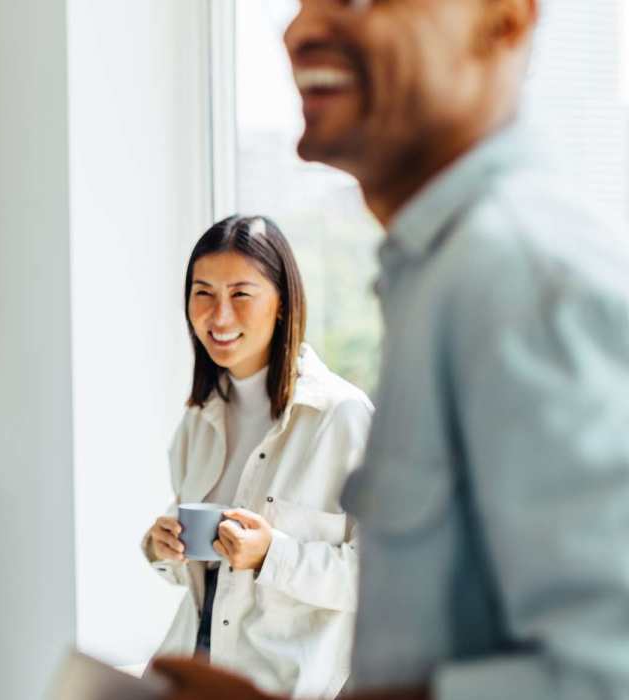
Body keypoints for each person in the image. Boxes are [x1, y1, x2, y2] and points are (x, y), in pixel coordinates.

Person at [154, 0, 629, 698]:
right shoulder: (439, 278)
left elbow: (602, 675)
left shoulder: (524, 282)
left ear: (504, 18)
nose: (299, 30)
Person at [145, 215, 372, 698]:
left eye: (241, 294)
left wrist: (273, 554)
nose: (219, 316)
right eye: (203, 293)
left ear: (282, 303)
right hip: (194, 671)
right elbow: (206, 578)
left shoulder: (341, 416)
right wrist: (163, 548)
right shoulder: (198, 420)